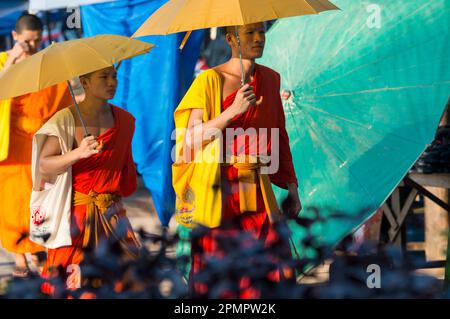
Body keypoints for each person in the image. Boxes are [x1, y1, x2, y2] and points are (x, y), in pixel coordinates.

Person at [173, 22, 302, 298]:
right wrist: (231, 112)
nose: (258, 39)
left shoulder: (269, 79)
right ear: (231, 39)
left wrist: (291, 186)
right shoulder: (209, 81)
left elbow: (279, 134)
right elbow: (190, 140)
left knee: (265, 273)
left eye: (261, 32)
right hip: (220, 192)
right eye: (250, 33)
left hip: (259, 191)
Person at [37, 66, 140, 287]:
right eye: (103, 77)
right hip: (74, 219)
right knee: (71, 284)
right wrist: (78, 153)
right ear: (84, 82)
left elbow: (126, 172)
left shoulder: (126, 120)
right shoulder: (66, 119)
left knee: (125, 282)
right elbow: (44, 165)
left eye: (114, 76)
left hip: (112, 215)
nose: (112, 82)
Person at [0, 14, 72, 278]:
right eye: (27, 41)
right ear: (15, 37)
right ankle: (19, 258)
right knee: (12, 205)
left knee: (41, 201)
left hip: (41, 146)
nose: (32, 46)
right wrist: (11, 62)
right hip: (9, 150)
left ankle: (38, 252)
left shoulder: (47, 66)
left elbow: (63, 102)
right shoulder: (1, 61)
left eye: (37, 41)